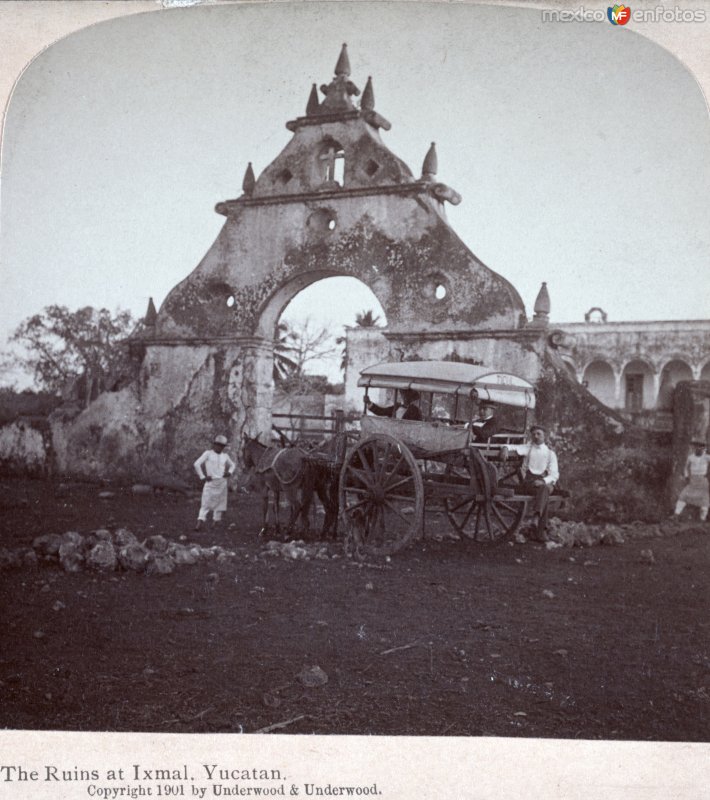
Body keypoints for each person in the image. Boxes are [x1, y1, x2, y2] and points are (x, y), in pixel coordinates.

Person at [519, 425, 559, 535]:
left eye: (539, 434)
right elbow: (515, 448)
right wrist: (505, 448)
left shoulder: (551, 454)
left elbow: (554, 474)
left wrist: (543, 481)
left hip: (545, 482)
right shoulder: (528, 449)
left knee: (544, 488)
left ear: (544, 436)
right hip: (531, 482)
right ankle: (541, 533)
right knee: (544, 493)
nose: (536, 436)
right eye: (533, 434)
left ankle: (536, 516)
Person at [193, 434, 236, 531]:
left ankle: (216, 522)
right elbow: (196, 464)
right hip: (211, 482)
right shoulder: (208, 454)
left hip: (222, 482)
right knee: (206, 502)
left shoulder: (225, 456)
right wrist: (203, 476)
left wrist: (229, 473)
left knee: (220, 503)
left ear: (224, 447)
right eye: (218, 445)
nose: (219, 447)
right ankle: (200, 521)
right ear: (214, 444)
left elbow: (233, 465)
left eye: (222, 446)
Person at [673, 440, 709, 522]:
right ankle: (676, 515)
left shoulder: (707, 457)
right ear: (694, 447)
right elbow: (686, 467)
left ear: (704, 448)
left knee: (704, 500)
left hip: (702, 480)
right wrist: (686, 476)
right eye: (697, 446)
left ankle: (702, 520)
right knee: (683, 496)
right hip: (693, 479)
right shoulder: (691, 457)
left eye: (702, 446)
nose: (699, 448)